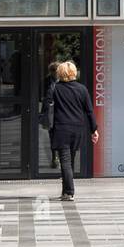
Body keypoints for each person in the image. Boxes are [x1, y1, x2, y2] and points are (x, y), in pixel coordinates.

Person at [47, 60, 98, 200]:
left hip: (62, 129)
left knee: (65, 161)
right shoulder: (82, 89)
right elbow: (89, 111)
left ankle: (69, 192)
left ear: (60, 73)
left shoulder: (55, 88)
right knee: (70, 161)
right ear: (74, 72)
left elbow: (49, 108)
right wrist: (94, 129)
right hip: (78, 130)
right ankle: (65, 191)